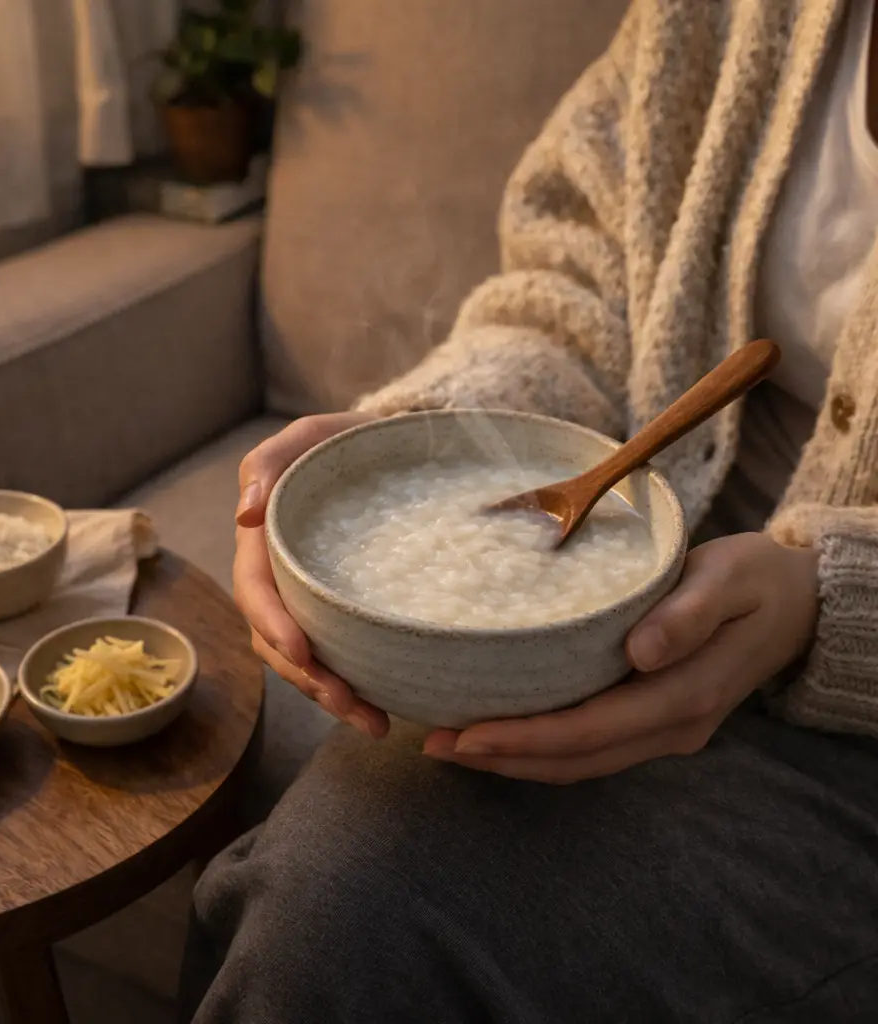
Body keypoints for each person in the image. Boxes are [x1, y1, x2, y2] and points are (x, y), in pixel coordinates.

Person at [181, 0, 878, 1019]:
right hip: (620, 603)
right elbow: (580, 289)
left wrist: (827, 602)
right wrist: (429, 435)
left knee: (352, 914)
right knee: (317, 887)